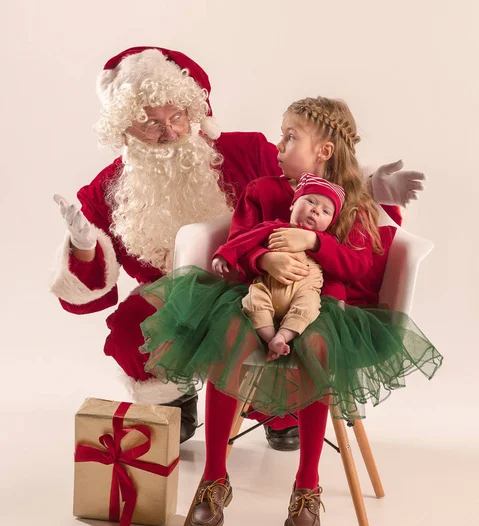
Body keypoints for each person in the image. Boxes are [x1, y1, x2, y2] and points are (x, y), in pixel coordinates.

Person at [50, 45, 425, 448]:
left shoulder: (244, 151)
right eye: (150, 123)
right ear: (125, 128)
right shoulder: (106, 187)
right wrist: (84, 245)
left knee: (275, 319)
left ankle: (277, 408)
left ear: (194, 111)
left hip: (254, 277)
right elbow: (91, 290)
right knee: (130, 328)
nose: (170, 132)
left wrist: (368, 187)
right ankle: (175, 399)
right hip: (174, 291)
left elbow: (310, 182)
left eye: (177, 116)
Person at [159, 95, 442, 526]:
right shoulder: (263, 191)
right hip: (256, 295)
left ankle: (307, 484)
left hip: (324, 307)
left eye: (290, 137)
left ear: (324, 150)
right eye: (281, 135)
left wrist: (314, 242)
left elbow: (363, 266)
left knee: (317, 346)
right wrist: (264, 258)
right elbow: (236, 243)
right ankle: (214, 477)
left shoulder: (351, 204)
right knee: (229, 334)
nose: (278, 144)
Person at [214, 174, 346, 361]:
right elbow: (244, 240)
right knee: (254, 300)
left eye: (326, 212)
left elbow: (334, 276)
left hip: (303, 292)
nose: (316, 210)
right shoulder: (273, 227)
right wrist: (224, 254)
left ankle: (282, 336)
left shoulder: (325, 243)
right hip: (267, 287)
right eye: (310, 201)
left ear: (330, 223)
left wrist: (337, 301)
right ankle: (270, 338)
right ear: (293, 204)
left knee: (310, 305)